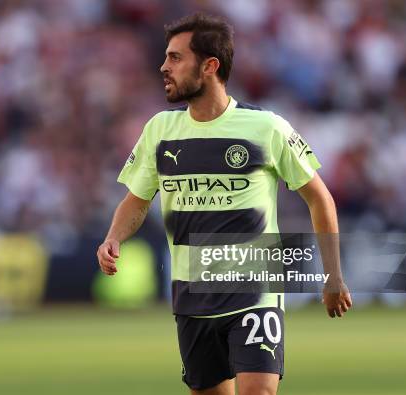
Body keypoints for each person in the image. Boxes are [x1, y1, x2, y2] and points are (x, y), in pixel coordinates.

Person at [97, 13, 352, 395]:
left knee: (258, 391)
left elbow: (320, 198)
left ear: (210, 65)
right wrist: (114, 236)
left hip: (255, 293)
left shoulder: (266, 128)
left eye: (175, 58)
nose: (163, 67)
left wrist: (333, 275)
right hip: (192, 297)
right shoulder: (159, 131)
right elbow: (136, 200)